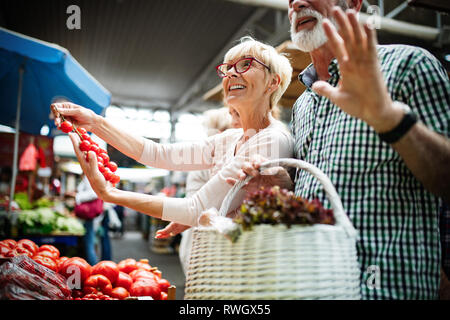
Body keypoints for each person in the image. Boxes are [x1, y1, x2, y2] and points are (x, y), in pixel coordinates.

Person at [237, 0, 450, 300]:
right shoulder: (304, 104)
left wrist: (389, 118)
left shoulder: (409, 65)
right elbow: (324, 184)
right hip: (312, 286)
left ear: (353, 3)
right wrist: (286, 184)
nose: (297, 3)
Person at [51, 36, 294, 244]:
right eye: (227, 67)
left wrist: (111, 194)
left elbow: (195, 209)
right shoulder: (229, 139)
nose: (230, 73)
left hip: (251, 266)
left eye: (245, 64)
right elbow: (157, 154)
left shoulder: (271, 140)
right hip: (224, 257)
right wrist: (94, 122)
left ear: (273, 82)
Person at [157, 106, 240, 275]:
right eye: (234, 127)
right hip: (203, 242)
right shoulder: (213, 161)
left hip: (210, 239)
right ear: (221, 132)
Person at [75, 175, 111, 265]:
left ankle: (93, 266)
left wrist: (78, 197)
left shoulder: (91, 176)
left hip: (89, 215)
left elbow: (95, 193)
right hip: (90, 215)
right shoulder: (90, 176)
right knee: (91, 242)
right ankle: (95, 265)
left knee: (89, 243)